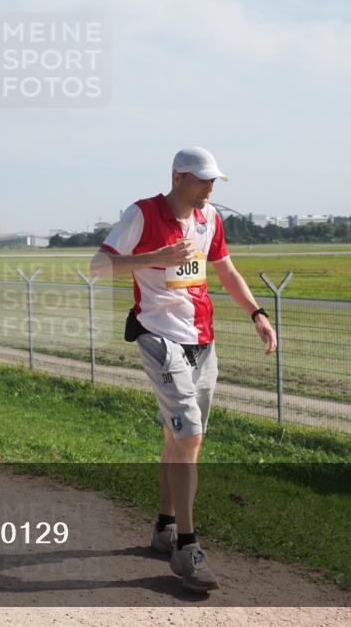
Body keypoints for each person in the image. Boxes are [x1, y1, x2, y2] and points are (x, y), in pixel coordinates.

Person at [90, 147, 277, 592]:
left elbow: (226, 270)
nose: (209, 188)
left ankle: (164, 527)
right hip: (159, 337)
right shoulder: (143, 214)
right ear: (178, 177)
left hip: (202, 340)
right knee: (189, 435)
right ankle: (187, 548)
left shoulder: (210, 217)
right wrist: (155, 257)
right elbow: (98, 265)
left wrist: (257, 314)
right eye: (201, 179)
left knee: (178, 439)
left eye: (213, 180)